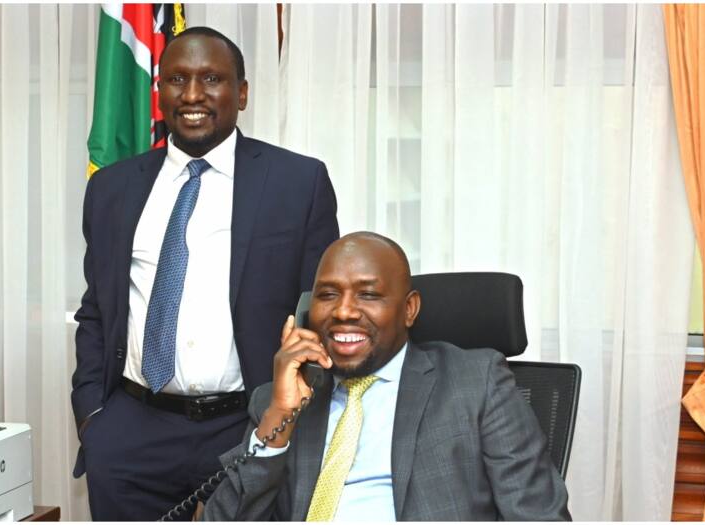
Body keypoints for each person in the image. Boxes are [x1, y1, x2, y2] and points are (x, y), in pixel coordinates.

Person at [70, 26, 339, 521]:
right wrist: (93, 415)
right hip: (132, 429)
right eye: (176, 79)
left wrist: (285, 420)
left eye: (211, 79)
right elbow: (96, 308)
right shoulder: (111, 189)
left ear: (241, 93)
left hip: (248, 422)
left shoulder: (298, 183)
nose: (192, 95)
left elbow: (320, 312)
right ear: (160, 92)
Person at [203, 232, 571, 521]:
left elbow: (537, 515)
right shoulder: (278, 400)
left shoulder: (476, 383)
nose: (344, 311)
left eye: (368, 295)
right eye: (328, 295)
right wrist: (278, 421)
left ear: (409, 309)